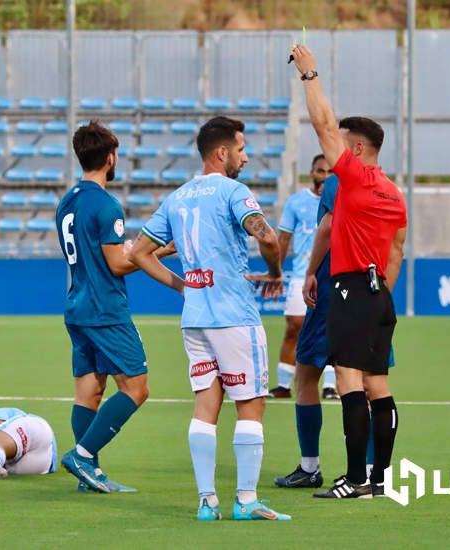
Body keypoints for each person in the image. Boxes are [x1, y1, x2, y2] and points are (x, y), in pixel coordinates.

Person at [128, 116, 291, 521]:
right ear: (222, 153)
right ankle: (247, 501)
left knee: (206, 406)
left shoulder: (177, 198)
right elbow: (267, 236)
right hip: (234, 315)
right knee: (250, 406)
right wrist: (274, 272)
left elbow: (138, 252)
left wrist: (182, 285)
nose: (246, 157)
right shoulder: (234, 191)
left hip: (195, 317)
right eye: (241, 148)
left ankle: (206, 502)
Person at [290, 45, 408, 499]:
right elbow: (397, 251)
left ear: (358, 149)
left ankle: (355, 479)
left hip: (350, 288)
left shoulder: (354, 178)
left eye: (343, 142)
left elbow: (321, 122)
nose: (333, 145)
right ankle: (378, 480)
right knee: (379, 383)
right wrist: (380, 293)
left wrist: (310, 73)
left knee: (348, 380)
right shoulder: (395, 195)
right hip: (380, 293)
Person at [56, 121, 175, 494]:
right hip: (106, 309)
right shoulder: (107, 204)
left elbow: (101, 253)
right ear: (110, 158)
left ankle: (88, 474)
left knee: (89, 392)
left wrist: (154, 249)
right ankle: (83, 456)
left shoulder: (68, 201)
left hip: (77, 305)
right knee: (137, 387)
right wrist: (151, 252)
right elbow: (118, 264)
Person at [269, 154, 338, 401]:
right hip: (301, 275)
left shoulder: (340, 201)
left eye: (330, 172)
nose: (325, 176)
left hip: (332, 275)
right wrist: (276, 272)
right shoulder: (296, 202)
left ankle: (330, 385)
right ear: (312, 172)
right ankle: (284, 384)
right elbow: (284, 239)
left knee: (333, 331)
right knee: (294, 328)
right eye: (321, 171)